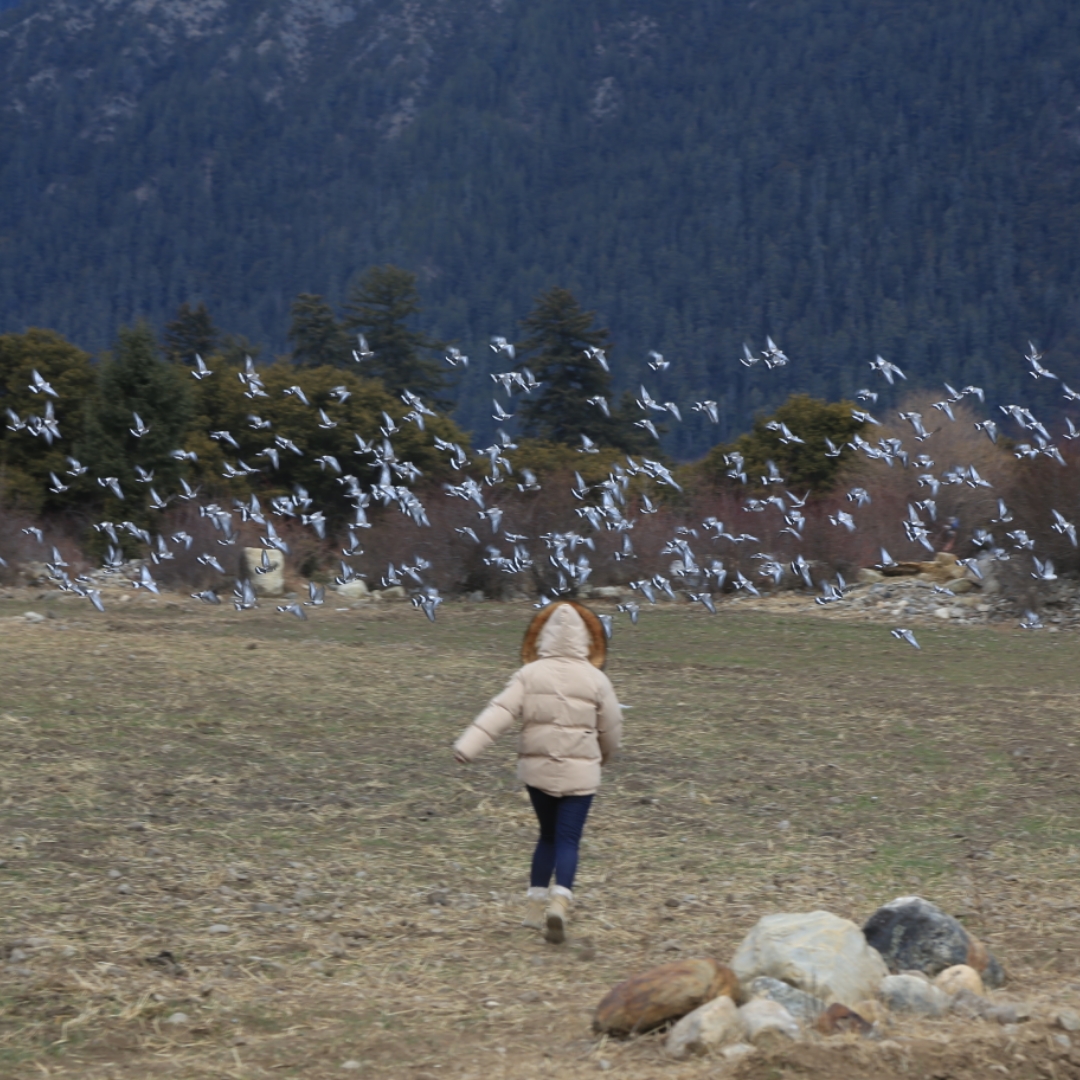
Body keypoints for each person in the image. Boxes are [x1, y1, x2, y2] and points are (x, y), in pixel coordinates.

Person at [453, 601, 623, 943]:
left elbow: (499, 711)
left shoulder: (528, 675)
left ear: (544, 636)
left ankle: (533, 908)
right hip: (582, 776)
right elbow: (612, 726)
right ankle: (560, 901)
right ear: (585, 639)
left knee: (547, 836)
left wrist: (467, 746)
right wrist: (604, 757)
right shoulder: (596, 678)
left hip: (538, 772)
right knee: (568, 839)